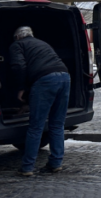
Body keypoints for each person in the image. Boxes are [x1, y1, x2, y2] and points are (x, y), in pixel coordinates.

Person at [8, 26, 71, 177]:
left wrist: (21, 88)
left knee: (36, 127)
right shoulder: (42, 43)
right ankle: (56, 163)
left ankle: (27, 167)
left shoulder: (17, 45)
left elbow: (19, 66)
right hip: (64, 77)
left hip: (45, 80)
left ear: (17, 37)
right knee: (57, 124)